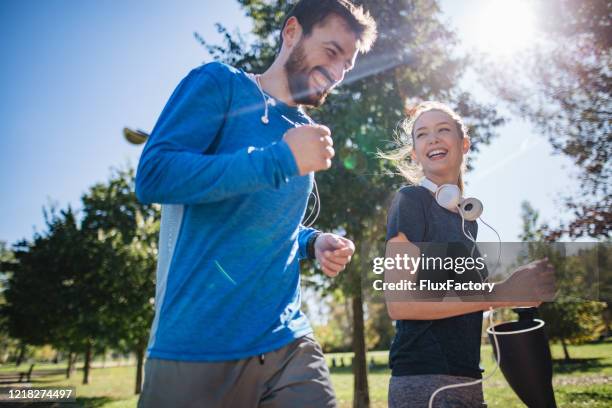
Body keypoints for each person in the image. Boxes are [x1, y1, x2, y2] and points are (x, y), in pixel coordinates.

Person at [134, 1, 377, 407]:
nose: (337, 73)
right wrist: (278, 160)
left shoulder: (304, 130)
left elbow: (263, 223)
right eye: (332, 53)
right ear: (292, 32)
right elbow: (154, 176)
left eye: (347, 66)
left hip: (287, 340)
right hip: (199, 345)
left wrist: (311, 242)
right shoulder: (220, 84)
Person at [382, 101, 556, 407]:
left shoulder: (464, 220)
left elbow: (462, 301)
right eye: (422, 134)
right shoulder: (410, 201)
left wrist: (519, 292)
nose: (433, 138)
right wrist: (500, 293)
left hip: (467, 380)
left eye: (443, 130)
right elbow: (400, 302)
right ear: (414, 153)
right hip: (425, 382)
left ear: (464, 144)